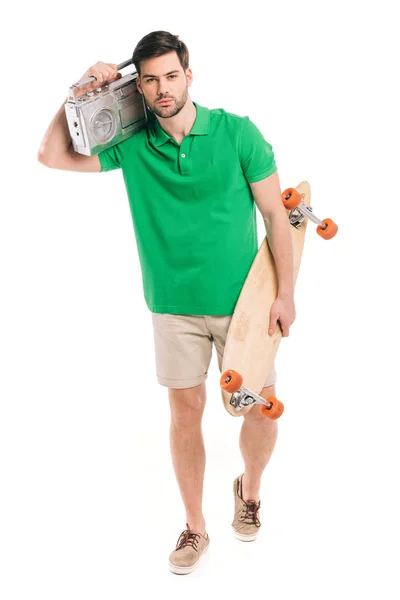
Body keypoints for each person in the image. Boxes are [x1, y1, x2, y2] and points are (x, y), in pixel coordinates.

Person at [38, 30, 296, 575]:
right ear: (139, 84)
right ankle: (195, 527)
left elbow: (277, 216)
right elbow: (51, 155)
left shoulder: (236, 133)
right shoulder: (131, 146)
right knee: (186, 414)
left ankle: (248, 489)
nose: (161, 88)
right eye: (149, 78)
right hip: (172, 306)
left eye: (170, 76)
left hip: (245, 304)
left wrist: (286, 295)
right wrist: (80, 89)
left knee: (262, 411)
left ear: (189, 76)